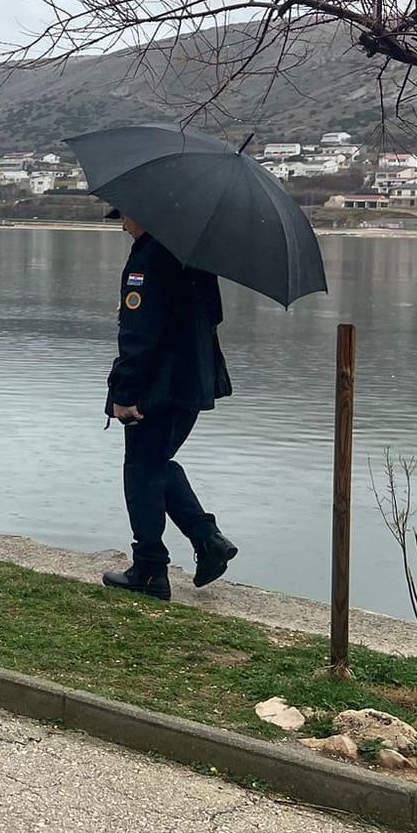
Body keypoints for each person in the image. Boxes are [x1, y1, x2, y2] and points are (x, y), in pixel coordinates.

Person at [101, 208, 237, 600]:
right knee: (156, 465)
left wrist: (125, 394)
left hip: (157, 387)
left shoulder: (148, 259)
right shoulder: (194, 258)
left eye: (123, 216)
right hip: (194, 381)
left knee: (141, 472)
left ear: (142, 215)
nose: (122, 225)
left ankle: (149, 569)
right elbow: (214, 314)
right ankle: (208, 540)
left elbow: (139, 337)